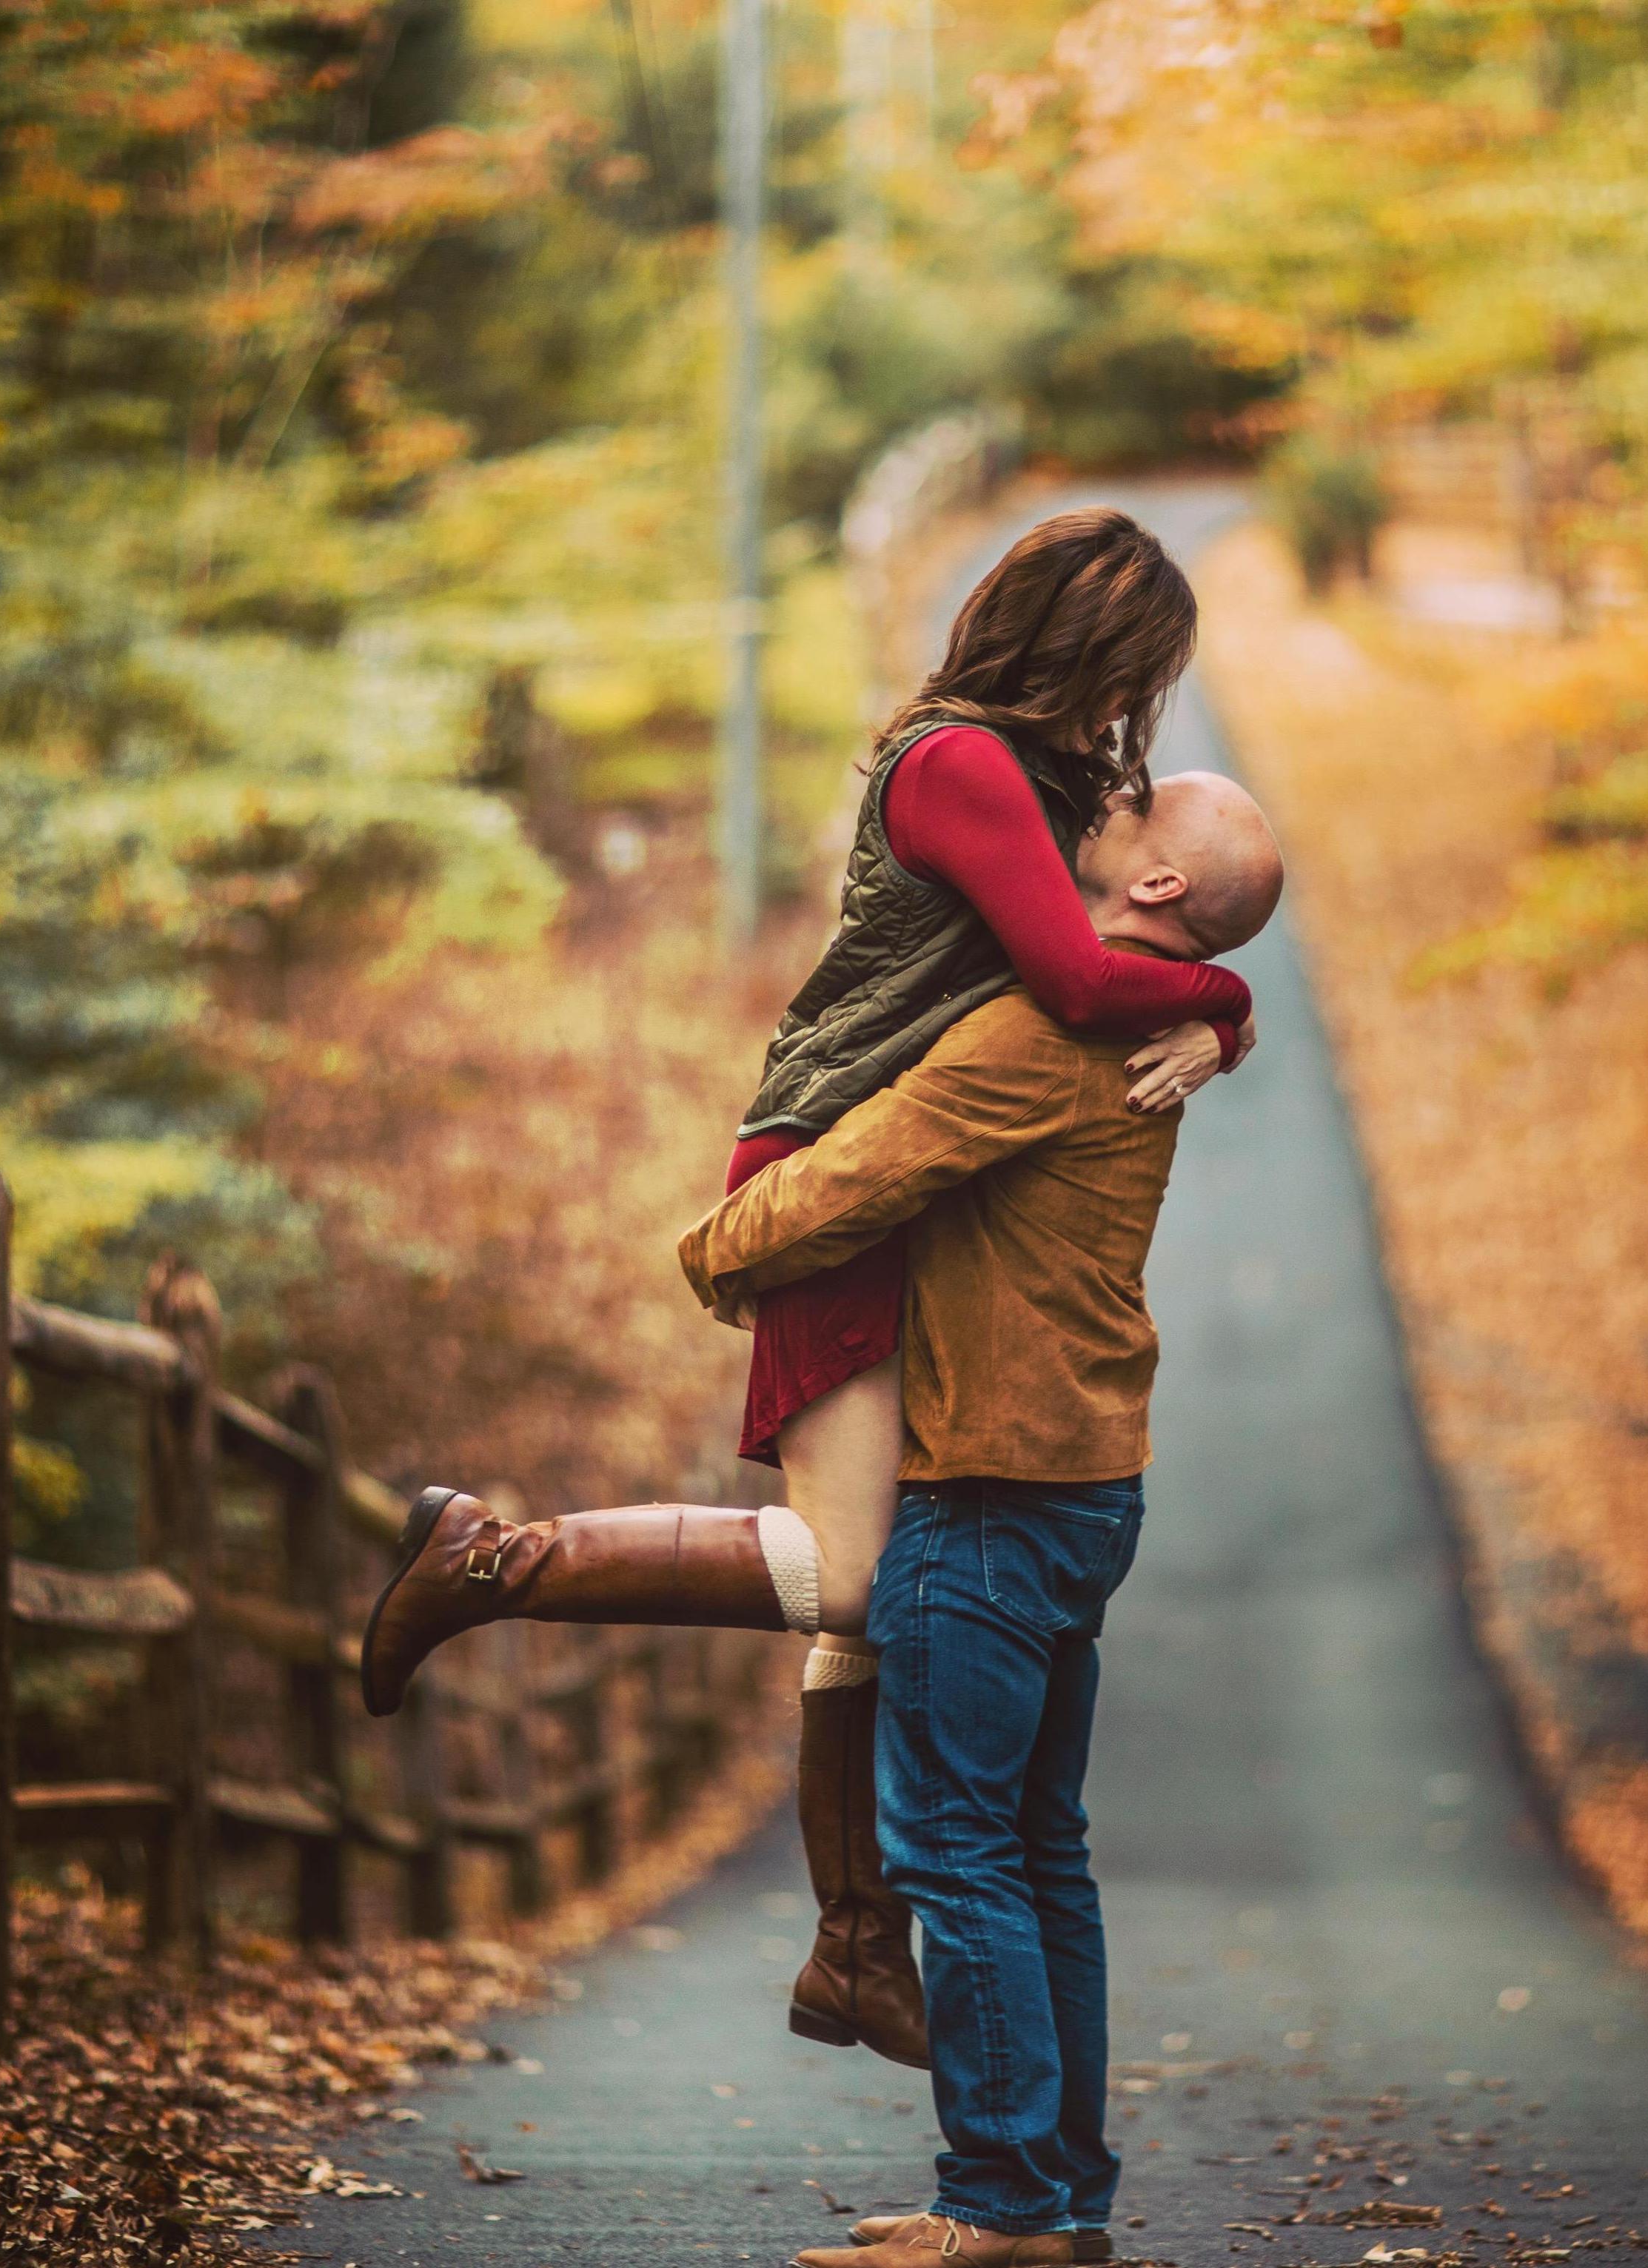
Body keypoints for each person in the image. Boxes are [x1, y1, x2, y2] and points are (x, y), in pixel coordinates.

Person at [361, 507, 1258, 2070]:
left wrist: (1214, 1007)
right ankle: (497, 1557)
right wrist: (1228, 994)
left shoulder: (1037, 779)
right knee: (854, 1576)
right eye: (1132, 676)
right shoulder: (962, 763)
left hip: (917, 1162)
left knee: (883, 1562)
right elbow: (1072, 977)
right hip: (840, 1159)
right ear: (1085, 645)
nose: (1132, 724)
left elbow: (1122, 943)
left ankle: (858, 1944)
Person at [684, 773, 1285, 2268]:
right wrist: (1222, 1008)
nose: (1108, 798)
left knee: (955, 1849)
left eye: (1141, 801)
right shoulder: (1130, 1023)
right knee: (1032, 1847)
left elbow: (862, 1172)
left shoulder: (1039, 1034)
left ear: (1154, 886)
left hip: (990, 1487)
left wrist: (710, 1244)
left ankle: (1003, 2202)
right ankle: (1054, 2194)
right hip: (1079, 1481)